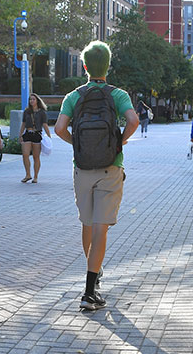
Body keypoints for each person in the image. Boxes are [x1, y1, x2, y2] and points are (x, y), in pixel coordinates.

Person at [54, 41, 139, 311]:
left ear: (85, 66)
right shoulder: (118, 95)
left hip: (82, 168)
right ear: (108, 66)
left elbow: (58, 129)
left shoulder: (73, 96)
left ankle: (94, 272)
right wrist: (119, 143)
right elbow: (134, 121)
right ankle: (90, 290)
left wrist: (76, 144)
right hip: (110, 166)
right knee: (101, 227)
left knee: (88, 224)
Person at [20, 93, 51, 183]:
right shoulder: (27, 111)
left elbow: (45, 125)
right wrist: (20, 135)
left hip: (37, 134)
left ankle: (36, 176)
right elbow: (23, 124)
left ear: (37, 100)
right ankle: (28, 174)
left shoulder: (42, 112)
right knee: (25, 155)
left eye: (33, 99)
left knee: (36, 157)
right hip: (27, 133)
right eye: (30, 99)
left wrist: (49, 137)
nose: (31, 101)